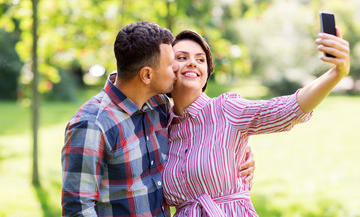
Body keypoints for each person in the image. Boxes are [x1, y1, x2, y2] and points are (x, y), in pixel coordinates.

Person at [61, 21, 255, 217]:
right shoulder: (92, 125)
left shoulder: (159, 105)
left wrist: (236, 152)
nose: (177, 69)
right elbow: (78, 210)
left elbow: (192, 133)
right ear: (146, 75)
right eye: (171, 65)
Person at [162, 28, 350, 216]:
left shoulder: (226, 109)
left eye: (200, 59)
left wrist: (336, 74)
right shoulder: (161, 124)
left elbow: (286, 109)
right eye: (182, 57)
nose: (193, 63)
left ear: (207, 72)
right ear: (167, 68)